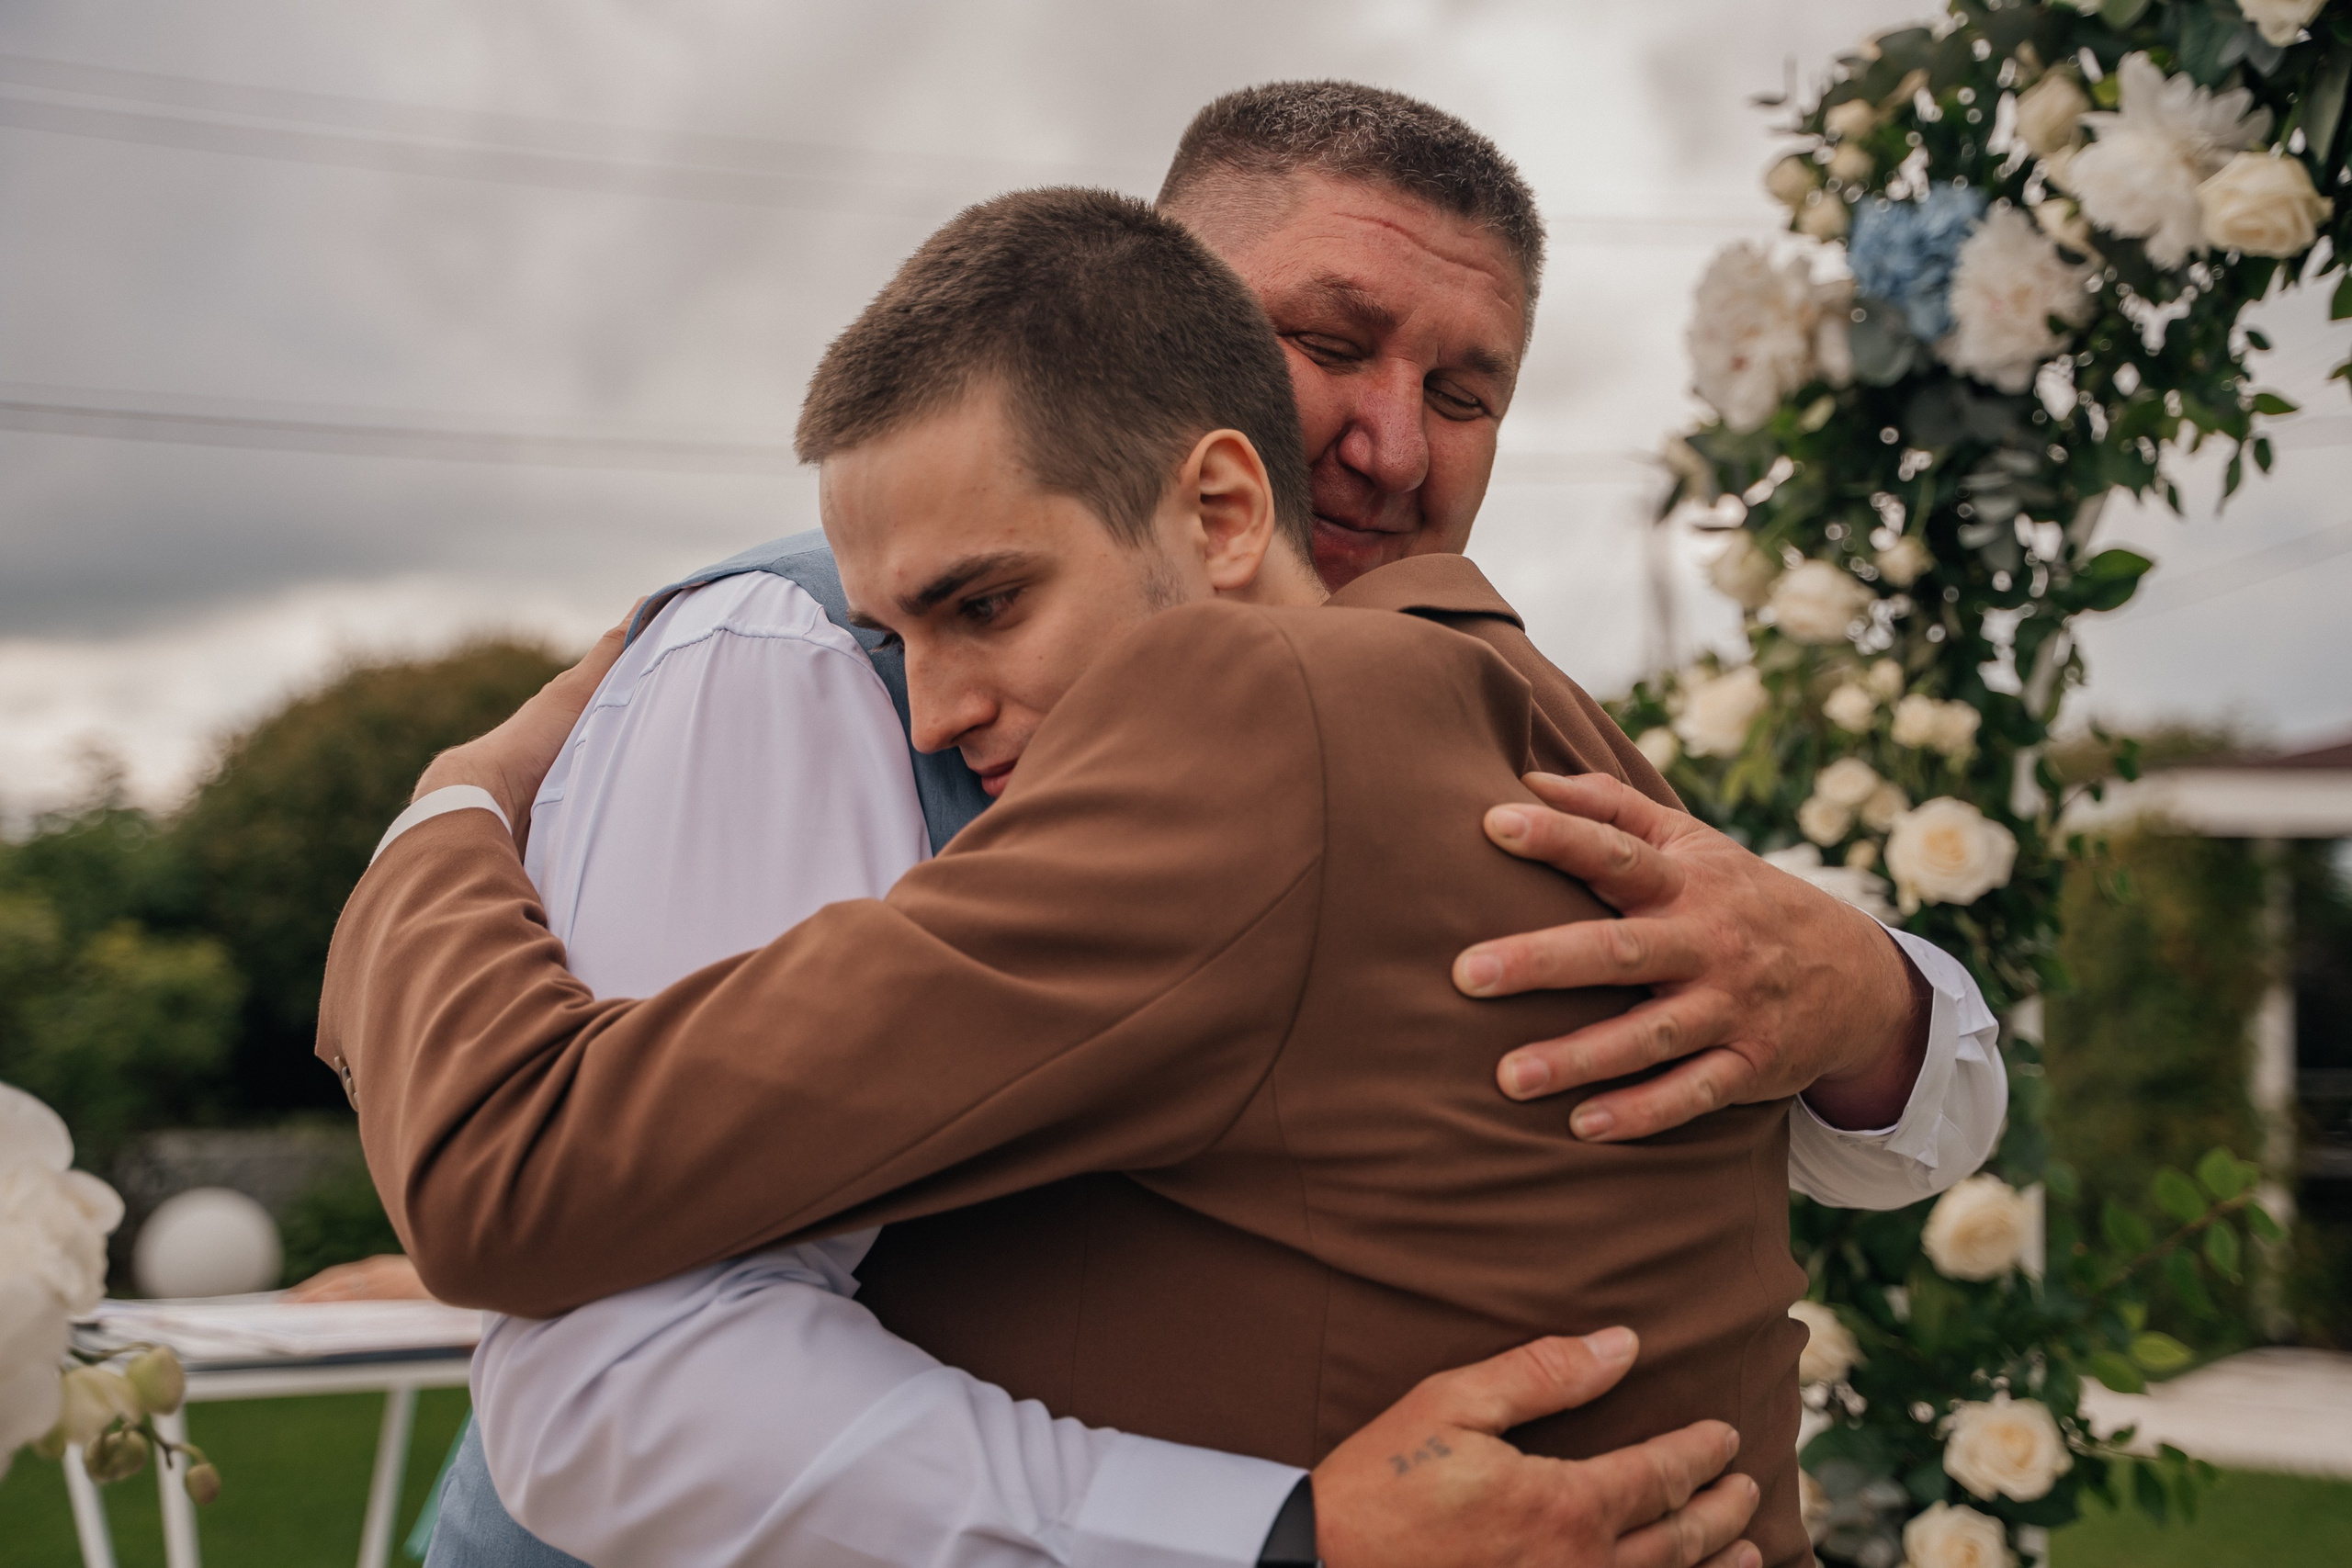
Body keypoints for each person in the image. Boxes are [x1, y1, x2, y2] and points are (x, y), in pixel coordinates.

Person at [367, 83, 2003, 1568]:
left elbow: (1643, 1124)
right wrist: (1277, 1538)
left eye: (1466, 391)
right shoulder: (797, 655)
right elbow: (615, 1363)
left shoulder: (1438, 701)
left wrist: (1868, 990)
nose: (1393, 442)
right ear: (1180, 343)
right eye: (1331, 341)